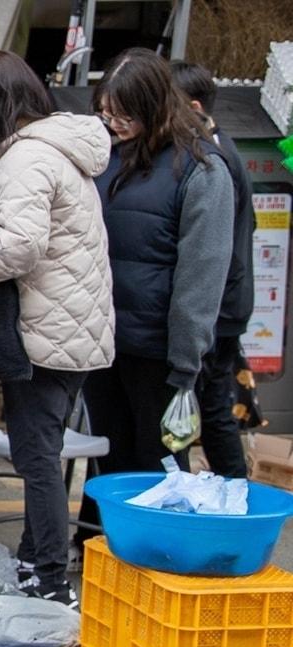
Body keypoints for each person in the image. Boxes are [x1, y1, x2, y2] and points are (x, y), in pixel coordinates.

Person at [0, 51, 115, 608]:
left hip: (48, 333)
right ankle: (33, 561)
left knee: (37, 458)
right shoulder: (53, 150)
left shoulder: (28, 158)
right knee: (41, 451)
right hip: (69, 328)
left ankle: (49, 576)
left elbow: (21, 245)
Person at [75, 48, 235, 544]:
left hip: (160, 352)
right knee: (108, 457)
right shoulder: (105, 158)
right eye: (106, 112)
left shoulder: (201, 169)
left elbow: (201, 276)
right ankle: (102, 549)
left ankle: (158, 554)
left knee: (159, 464)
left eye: (125, 113)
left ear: (154, 106)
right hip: (102, 342)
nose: (114, 123)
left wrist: (186, 364)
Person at [171, 60, 256, 478]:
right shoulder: (217, 148)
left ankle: (233, 492)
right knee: (212, 407)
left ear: (194, 107)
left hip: (219, 307)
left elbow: (223, 249)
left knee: (210, 410)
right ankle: (231, 490)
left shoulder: (213, 159)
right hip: (225, 303)